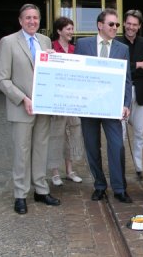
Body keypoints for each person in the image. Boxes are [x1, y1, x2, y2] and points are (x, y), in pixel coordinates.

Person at [0, 3, 60, 215]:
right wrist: (23, 99)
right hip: (22, 107)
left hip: (43, 107)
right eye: (28, 18)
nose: (32, 21)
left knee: (41, 149)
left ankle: (40, 189)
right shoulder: (8, 42)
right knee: (22, 152)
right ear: (20, 20)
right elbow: (1, 79)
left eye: (36, 18)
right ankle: (20, 194)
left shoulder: (45, 41)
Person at [74, 8, 133, 203]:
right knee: (92, 147)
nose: (115, 27)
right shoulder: (83, 44)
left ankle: (119, 188)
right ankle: (99, 185)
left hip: (112, 106)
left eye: (117, 24)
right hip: (89, 107)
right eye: (111, 24)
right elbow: (74, 71)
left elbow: (126, 79)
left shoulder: (122, 49)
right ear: (100, 25)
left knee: (116, 146)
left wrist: (126, 104)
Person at [116, 9, 143, 181]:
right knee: (120, 134)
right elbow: (118, 68)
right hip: (121, 93)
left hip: (141, 93)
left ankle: (139, 168)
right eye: (128, 23)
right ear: (124, 23)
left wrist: (131, 67)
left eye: (134, 25)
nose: (131, 27)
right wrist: (139, 65)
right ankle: (119, 168)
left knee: (139, 133)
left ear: (139, 27)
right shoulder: (116, 43)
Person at [48, 16, 84, 186]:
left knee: (72, 133)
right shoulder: (50, 48)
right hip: (57, 99)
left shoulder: (74, 49)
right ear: (59, 31)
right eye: (68, 29)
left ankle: (70, 170)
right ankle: (55, 172)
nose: (71, 32)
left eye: (72, 28)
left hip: (72, 99)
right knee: (56, 134)